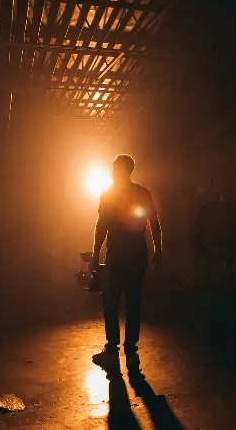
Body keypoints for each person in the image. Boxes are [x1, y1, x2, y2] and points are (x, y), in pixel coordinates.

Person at [90, 154, 162, 366]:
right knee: (133, 304)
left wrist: (95, 253)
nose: (112, 172)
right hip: (136, 255)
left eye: (114, 169)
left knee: (111, 304)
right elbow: (154, 222)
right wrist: (158, 249)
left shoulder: (109, 195)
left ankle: (113, 348)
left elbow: (101, 225)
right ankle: (130, 348)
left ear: (123, 170)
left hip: (117, 257)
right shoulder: (141, 193)